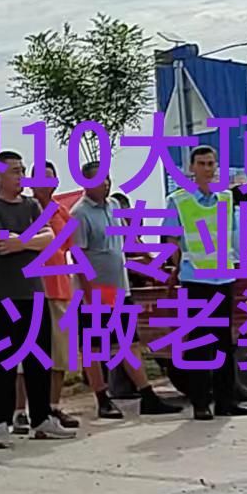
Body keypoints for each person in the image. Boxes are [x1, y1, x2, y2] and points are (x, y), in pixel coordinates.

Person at [69, 161, 182, 421]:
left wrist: (155, 266)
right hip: (94, 293)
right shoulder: (79, 214)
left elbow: (129, 242)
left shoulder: (114, 207)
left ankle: (147, 396)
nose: (105, 184)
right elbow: (78, 257)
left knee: (130, 343)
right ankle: (102, 398)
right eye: (99, 179)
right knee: (94, 348)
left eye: (107, 178)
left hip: (120, 290)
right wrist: (90, 295)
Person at [0, 152, 76, 446]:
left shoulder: (32, 205)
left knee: (39, 359)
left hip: (35, 292)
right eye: (14, 171)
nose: (20, 176)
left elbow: (51, 238)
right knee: (5, 361)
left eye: (22, 170)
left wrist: (21, 241)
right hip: (3, 295)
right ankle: (0, 424)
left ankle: (42, 419)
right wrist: (31, 241)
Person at [169, 146, 247, 420]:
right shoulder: (178, 200)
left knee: (223, 342)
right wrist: (176, 269)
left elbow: (233, 235)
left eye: (211, 163)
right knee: (198, 343)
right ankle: (200, 402)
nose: (208, 168)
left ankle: (226, 401)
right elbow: (171, 241)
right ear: (191, 168)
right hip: (195, 280)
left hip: (223, 278)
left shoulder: (225, 198)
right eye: (202, 164)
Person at [14, 162, 81, 432]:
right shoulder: (23, 209)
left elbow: (70, 248)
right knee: (26, 354)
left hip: (60, 287)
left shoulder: (61, 211)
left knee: (60, 353)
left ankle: (52, 407)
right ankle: (20, 411)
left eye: (51, 178)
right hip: (31, 290)